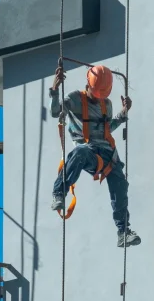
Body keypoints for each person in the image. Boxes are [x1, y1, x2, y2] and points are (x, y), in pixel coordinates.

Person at [50, 64, 141, 247]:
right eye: (96, 93)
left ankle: (123, 231)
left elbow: (108, 128)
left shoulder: (106, 103)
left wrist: (123, 113)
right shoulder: (75, 99)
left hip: (108, 154)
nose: (98, 97)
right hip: (89, 150)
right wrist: (55, 89)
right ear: (88, 84)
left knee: (120, 187)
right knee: (80, 152)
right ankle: (59, 193)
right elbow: (55, 112)